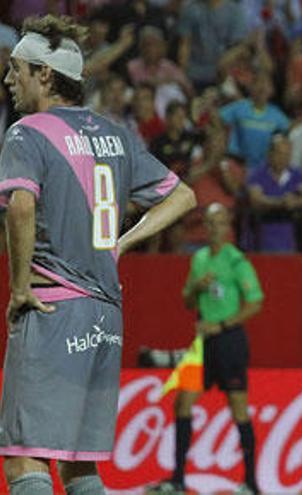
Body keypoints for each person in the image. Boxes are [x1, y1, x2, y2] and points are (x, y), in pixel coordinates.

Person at [0, 14, 196, 495]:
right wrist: (122, 243)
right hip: (106, 319)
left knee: (25, 458)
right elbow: (183, 196)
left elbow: (20, 207)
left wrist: (20, 287)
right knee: (79, 467)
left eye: (16, 69)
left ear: (44, 75)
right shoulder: (116, 135)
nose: (8, 79)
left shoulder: (27, 132)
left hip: (54, 309)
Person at [161, 203, 265, 494]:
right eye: (209, 223)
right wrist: (196, 287)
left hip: (229, 341)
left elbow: (255, 302)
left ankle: (251, 482)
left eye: (219, 223)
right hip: (203, 344)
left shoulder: (236, 261)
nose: (213, 228)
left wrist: (222, 325)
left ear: (228, 225)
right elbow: (187, 303)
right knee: (182, 402)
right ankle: (178, 479)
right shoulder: (200, 259)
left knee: (238, 409)